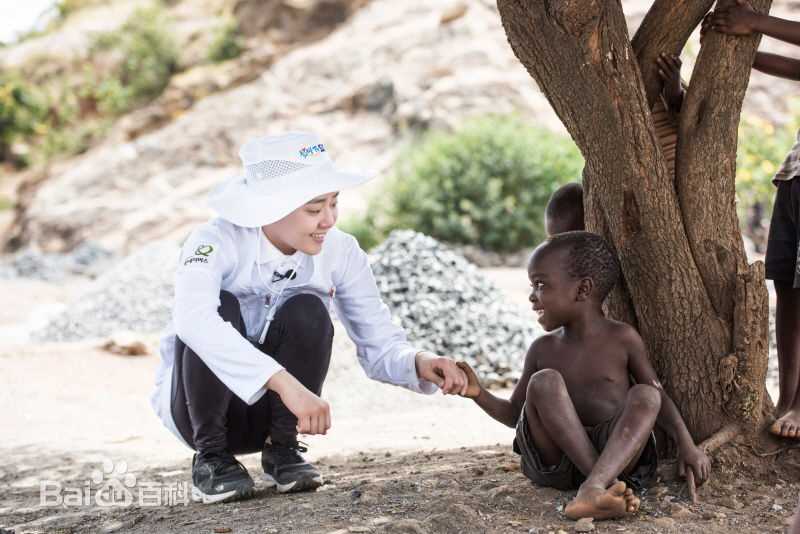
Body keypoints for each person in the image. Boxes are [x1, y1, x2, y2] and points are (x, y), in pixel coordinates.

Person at [150, 132, 468, 504]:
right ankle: (212, 460)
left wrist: (420, 362)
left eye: (334, 203)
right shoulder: (214, 241)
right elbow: (192, 321)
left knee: (309, 310)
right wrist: (284, 383)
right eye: (315, 209)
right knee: (219, 308)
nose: (329, 220)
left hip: (281, 416)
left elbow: (379, 342)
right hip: (199, 413)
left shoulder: (341, 252)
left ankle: (282, 449)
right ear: (270, 208)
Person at [457, 232, 710, 521]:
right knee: (544, 381)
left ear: (582, 289)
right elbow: (517, 415)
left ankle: (593, 487)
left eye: (540, 285)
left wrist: (686, 444)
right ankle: (595, 487)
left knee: (647, 394)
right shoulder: (543, 349)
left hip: (615, 456)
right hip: (557, 461)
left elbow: (657, 398)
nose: (531, 296)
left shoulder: (622, 339)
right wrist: (478, 393)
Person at [704, 0, 800, 439]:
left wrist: (754, 21)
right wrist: (737, 49)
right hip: (795, 174)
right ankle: (787, 398)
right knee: (787, 289)